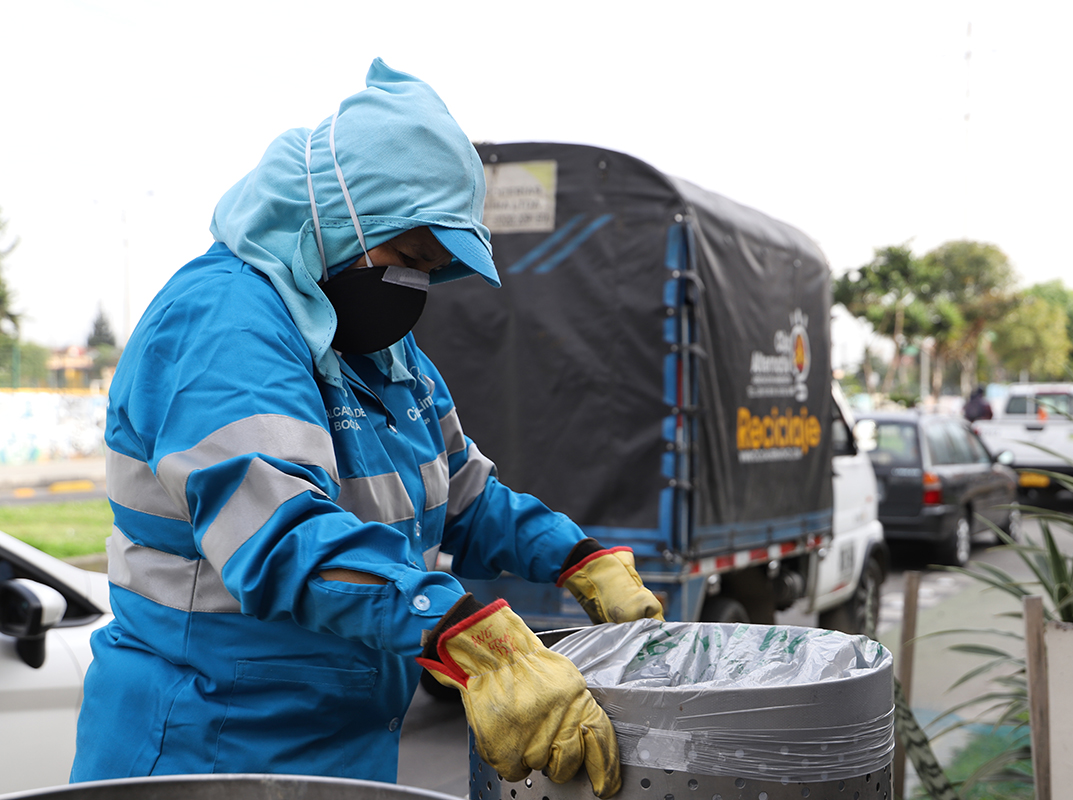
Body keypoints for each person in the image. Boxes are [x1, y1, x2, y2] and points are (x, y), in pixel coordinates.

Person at [71, 59, 662, 798]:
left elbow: (462, 495)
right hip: (208, 748)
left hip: (337, 755)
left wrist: (576, 556)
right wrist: (461, 631)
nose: (413, 287)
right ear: (340, 219)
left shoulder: (383, 352)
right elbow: (282, 539)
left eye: (431, 271)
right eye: (408, 258)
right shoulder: (223, 324)